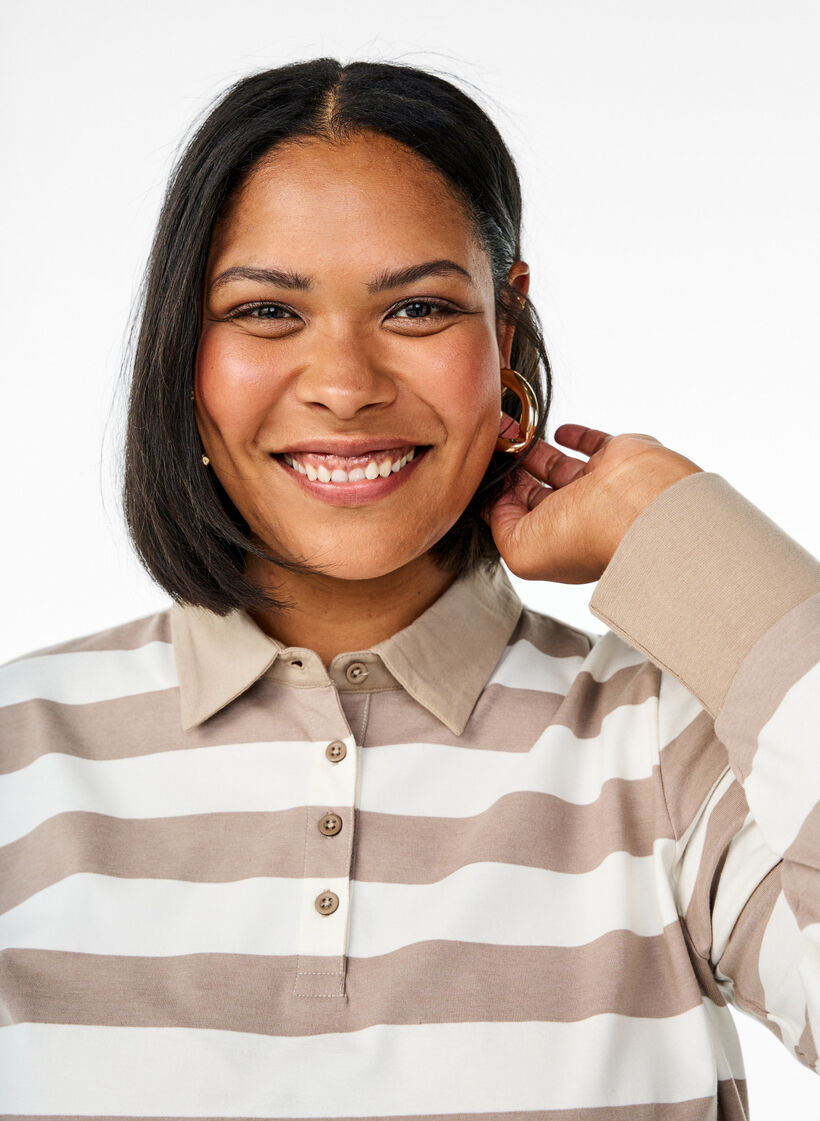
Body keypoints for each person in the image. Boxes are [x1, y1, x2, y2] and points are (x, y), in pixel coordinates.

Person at [1, 57, 818, 1121]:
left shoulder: (664, 746)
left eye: (420, 307)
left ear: (506, 331)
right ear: (181, 350)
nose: (343, 384)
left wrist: (683, 532)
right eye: (265, 312)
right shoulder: (19, 754)